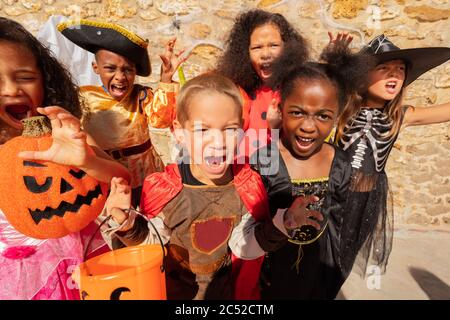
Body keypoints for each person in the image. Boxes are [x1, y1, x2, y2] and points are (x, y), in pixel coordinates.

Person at [100, 73, 324, 300]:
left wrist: (282, 225)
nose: (218, 142)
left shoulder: (245, 186)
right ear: (179, 132)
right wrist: (126, 224)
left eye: (229, 129)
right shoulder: (166, 190)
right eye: (202, 130)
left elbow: (243, 246)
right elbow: (152, 247)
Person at [0, 17, 130, 300]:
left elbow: (122, 177)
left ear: (45, 81)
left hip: (79, 262)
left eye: (25, 77)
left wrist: (87, 161)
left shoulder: (67, 134)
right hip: (18, 280)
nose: (11, 89)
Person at [251, 40, 373, 299]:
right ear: (281, 109)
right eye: (297, 113)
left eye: (323, 116)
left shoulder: (340, 164)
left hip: (318, 278)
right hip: (270, 279)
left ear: (337, 116)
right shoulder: (265, 160)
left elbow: (343, 226)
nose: (308, 126)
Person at [335, 34, 450, 277]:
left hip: (365, 201)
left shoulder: (399, 117)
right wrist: (338, 64)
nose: (394, 74)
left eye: (400, 69)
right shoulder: (342, 108)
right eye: (384, 68)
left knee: (341, 263)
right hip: (331, 198)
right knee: (317, 260)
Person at [58, 20, 188, 206]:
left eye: (127, 70)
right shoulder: (82, 98)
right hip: (108, 177)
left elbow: (161, 120)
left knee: (150, 216)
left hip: (146, 172)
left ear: (135, 72)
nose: (120, 77)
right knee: (118, 220)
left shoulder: (141, 96)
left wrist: (166, 78)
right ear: (96, 68)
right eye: (110, 68)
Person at [216, 9, 309, 157]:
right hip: (239, 172)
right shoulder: (235, 90)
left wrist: (275, 127)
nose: (265, 54)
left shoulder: (297, 90)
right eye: (257, 47)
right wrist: (167, 80)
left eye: (273, 45)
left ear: (288, 48)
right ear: (245, 53)